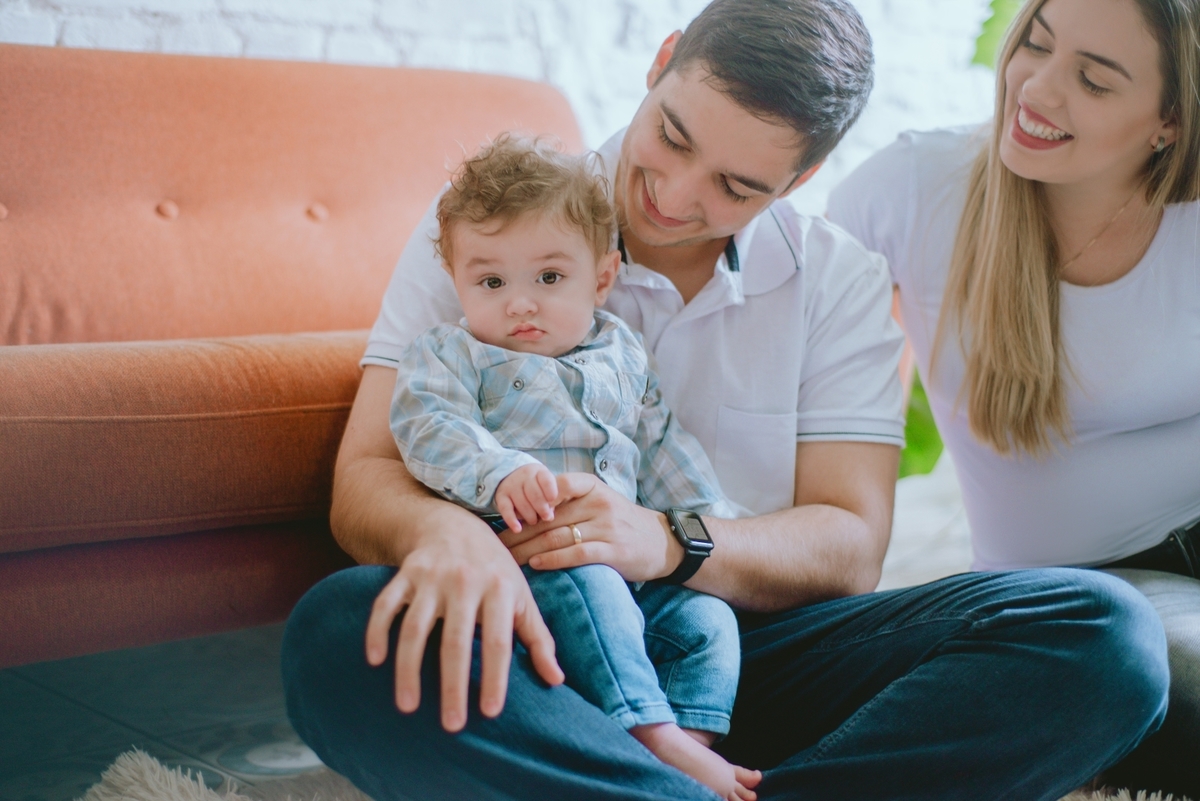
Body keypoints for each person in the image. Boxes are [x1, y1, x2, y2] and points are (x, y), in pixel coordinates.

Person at [281, 1, 1171, 798]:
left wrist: (667, 541)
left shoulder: (838, 280)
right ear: (661, 60)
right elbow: (366, 472)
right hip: (539, 640)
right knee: (342, 630)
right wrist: (445, 533)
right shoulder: (495, 224)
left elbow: (850, 545)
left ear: (803, 179)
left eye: (737, 187)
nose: (674, 196)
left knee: (1106, 637)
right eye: (671, 136)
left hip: (745, 656)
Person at [827, 0, 1200, 795]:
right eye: (1035, 42)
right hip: (1100, 594)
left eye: (1094, 80)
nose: (1038, 87)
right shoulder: (915, 189)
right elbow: (779, 347)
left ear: (1167, 121)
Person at [391, 134, 757, 800]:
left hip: (638, 565)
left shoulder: (622, 350)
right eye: (491, 280)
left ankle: (684, 739)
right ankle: (649, 734)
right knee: (591, 584)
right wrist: (500, 471)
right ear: (457, 282)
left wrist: (711, 519)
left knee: (711, 621)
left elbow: (660, 443)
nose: (520, 302)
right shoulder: (451, 353)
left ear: (603, 277)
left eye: (549, 277)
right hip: (543, 559)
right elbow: (429, 426)